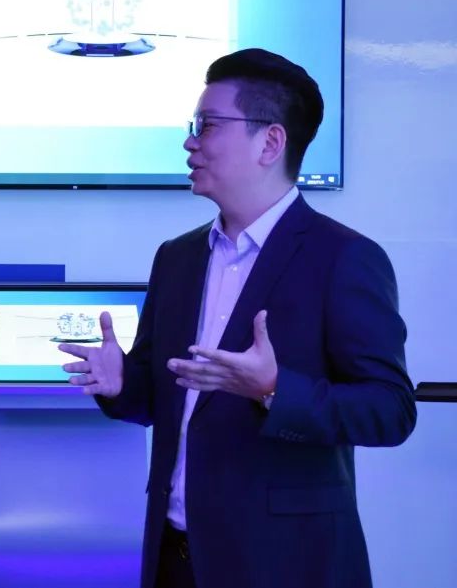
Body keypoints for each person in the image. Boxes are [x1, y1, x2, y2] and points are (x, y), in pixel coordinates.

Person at [61, 48, 417, 588]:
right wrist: (121, 383)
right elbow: (164, 399)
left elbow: (390, 410)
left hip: (285, 565)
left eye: (207, 126)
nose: (190, 143)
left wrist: (274, 389)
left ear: (270, 143)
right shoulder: (177, 258)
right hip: (175, 557)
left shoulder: (344, 258)